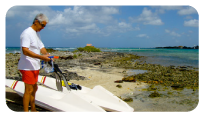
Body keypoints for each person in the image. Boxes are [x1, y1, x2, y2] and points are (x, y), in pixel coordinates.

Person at [18, 13, 51, 112]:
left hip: (35, 66)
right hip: (27, 66)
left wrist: (47, 55)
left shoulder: (36, 33)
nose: (43, 28)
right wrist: (41, 57)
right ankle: (26, 112)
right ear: (36, 22)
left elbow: (41, 47)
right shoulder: (27, 33)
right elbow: (25, 50)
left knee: (34, 89)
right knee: (28, 90)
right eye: (43, 25)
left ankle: (33, 109)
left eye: (45, 26)